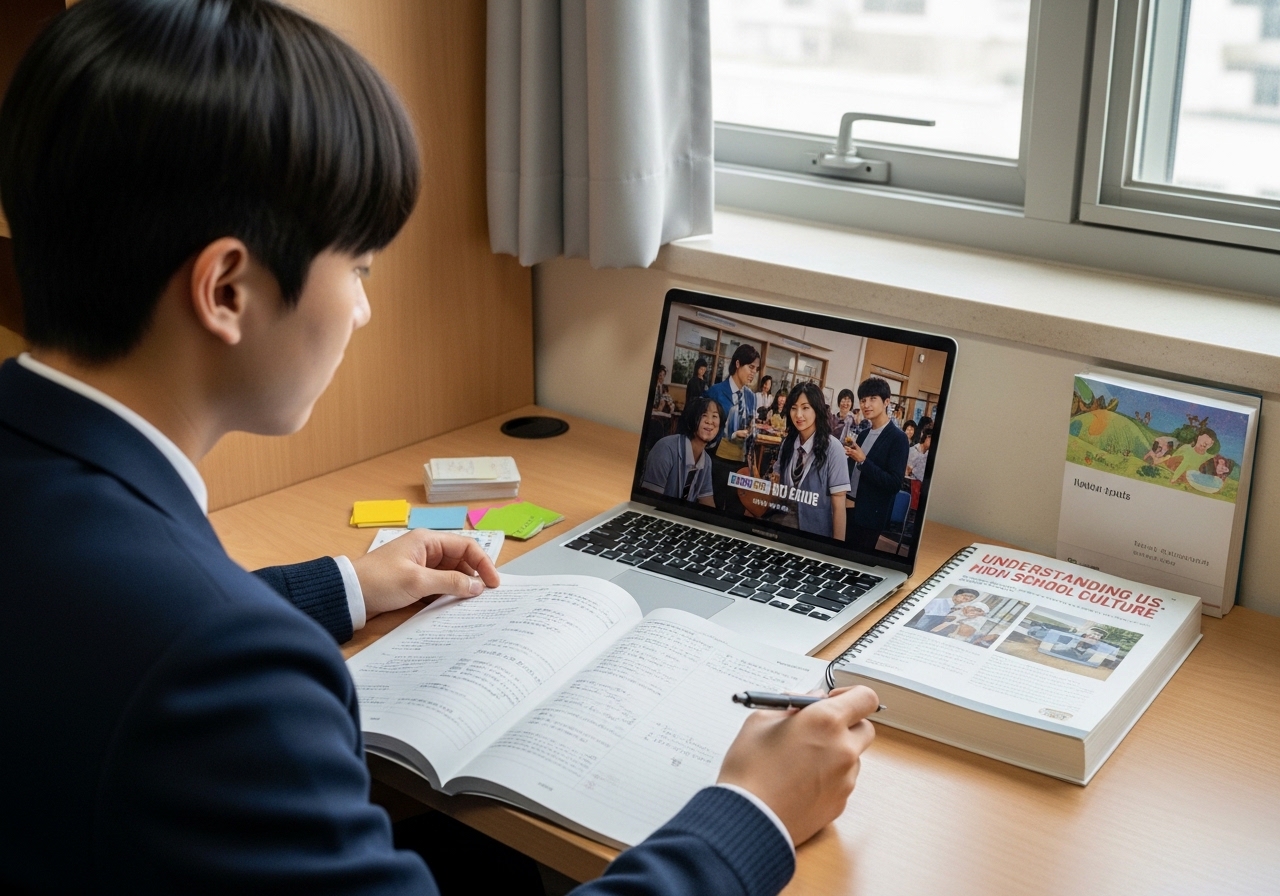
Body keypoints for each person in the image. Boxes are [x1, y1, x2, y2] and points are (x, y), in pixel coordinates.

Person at [0, 2, 881, 892]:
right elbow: (177, 651)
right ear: (227, 289)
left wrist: (341, 587)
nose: (363, 309)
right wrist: (753, 812)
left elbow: (102, 625)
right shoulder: (226, 676)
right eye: (361, 269)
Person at [770, 383, 850, 540]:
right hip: (781, 526)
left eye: (805, 407)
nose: (798, 414)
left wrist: (836, 550)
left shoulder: (833, 449)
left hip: (813, 533)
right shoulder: (788, 443)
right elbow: (777, 485)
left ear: (817, 410)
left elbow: (839, 505)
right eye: (794, 408)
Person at [844, 377, 911, 553]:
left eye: (873, 399)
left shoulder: (898, 438)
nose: (866, 404)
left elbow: (894, 483)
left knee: (857, 561)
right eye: (863, 400)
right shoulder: (864, 434)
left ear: (886, 402)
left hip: (870, 514)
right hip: (848, 506)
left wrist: (863, 461)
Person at [704, 343, 761, 515]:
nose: (753, 373)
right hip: (718, 461)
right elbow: (705, 428)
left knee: (736, 511)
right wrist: (732, 433)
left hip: (741, 464)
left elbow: (750, 425)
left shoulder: (751, 398)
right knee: (714, 510)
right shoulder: (716, 392)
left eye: (756, 369)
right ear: (737, 364)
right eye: (750, 367)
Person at [641, 397, 721, 506]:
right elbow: (649, 502)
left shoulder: (706, 461)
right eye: (704, 415)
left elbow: (707, 501)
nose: (710, 421)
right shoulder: (665, 449)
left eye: (715, 416)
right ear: (692, 419)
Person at [912, 587, 979, 632]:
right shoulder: (939, 602)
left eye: (972, 598)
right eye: (966, 596)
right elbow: (928, 619)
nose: (968, 599)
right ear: (955, 595)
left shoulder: (957, 608)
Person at [906, 426, 932, 510]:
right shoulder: (913, 450)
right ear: (926, 437)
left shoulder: (929, 454)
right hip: (910, 486)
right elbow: (907, 471)